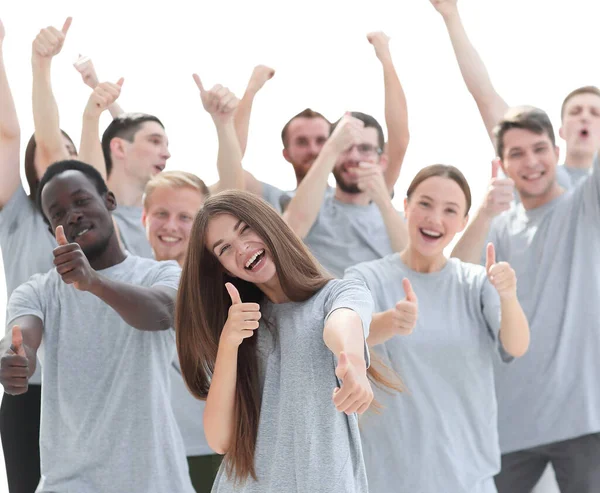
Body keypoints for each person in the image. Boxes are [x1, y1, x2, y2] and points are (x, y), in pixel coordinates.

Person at [175, 190, 399, 492]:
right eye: (225, 248)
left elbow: (342, 322)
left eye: (245, 229)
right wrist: (229, 345)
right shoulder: (240, 325)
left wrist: (354, 361)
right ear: (222, 268)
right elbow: (219, 440)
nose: (242, 248)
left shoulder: (339, 294)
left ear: (268, 223)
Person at [0, 160, 195, 492]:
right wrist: (15, 357)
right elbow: (22, 337)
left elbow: (163, 312)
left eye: (81, 201)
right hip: (69, 483)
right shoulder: (38, 290)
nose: (72, 215)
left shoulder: (160, 274)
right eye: (58, 214)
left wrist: (93, 282)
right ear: (51, 230)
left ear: (109, 200)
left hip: (157, 481)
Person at [345, 164, 530, 492]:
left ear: (462, 223)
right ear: (405, 206)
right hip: (385, 479)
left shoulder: (475, 283)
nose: (434, 219)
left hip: (467, 480)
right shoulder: (364, 278)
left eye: (450, 211)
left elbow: (516, 346)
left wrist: (509, 296)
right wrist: (390, 322)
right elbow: (344, 335)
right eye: (425, 204)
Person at [451, 106, 600, 492]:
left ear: (556, 150)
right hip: (509, 425)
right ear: (501, 164)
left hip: (584, 421)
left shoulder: (585, 205)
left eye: (539, 149)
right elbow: (451, 277)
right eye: (517, 153)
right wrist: (483, 211)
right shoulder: (498, 226)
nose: (531, 162)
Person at [0, 19, 121, 493]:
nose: (62, 161)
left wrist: (94, 113)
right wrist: (32, 62)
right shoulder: (16, 217)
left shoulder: (99, 227)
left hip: (99, 386)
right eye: (53, 154)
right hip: (31, 390)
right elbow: (13, 135)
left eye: (74, 155)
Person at [429, 0, 597, 187]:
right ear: (561, 131)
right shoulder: (535, 173)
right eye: (575, 111)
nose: (584, 117)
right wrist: (450, 14)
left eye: (595, 113)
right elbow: (486, 97)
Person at [236, 32, 409, 212]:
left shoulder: (360, 193)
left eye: (322, 141)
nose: (314, 150)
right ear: (286, 154)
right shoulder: (277, 199)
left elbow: (399, 141)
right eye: (302, 142)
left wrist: (385, 60)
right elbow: (232, 168)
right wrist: (250, 92)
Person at [142, 171, 222, 492]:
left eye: (185, 217)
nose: (171, 226)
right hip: (144, 452)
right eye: (161, 213)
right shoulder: (125, 285)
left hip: (206, 452)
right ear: (144, 217)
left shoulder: (224, 289)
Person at [282, 110, 408, 277]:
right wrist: (332, 148)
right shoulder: (310, 205)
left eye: (365, 149)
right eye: (345, 148)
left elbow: (416, 267)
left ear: (382, 161)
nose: (354, 157)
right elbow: (287, 237)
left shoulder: (398, 220)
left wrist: (383, 200)